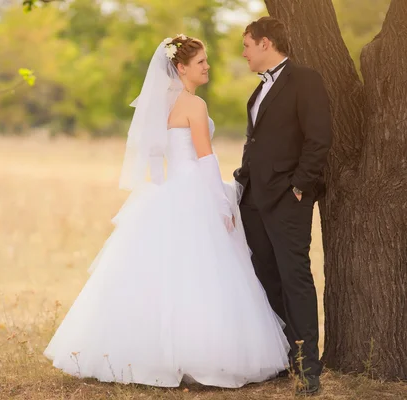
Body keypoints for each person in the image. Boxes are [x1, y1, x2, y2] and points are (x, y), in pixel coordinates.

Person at [44, 34, 289, 388]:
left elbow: (157, 158)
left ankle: (145, 355)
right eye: (201, 62)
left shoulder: (157, 104)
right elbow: (206, 158)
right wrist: (223, 203)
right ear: (180, 67)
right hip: (194, 189)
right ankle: (200, 357)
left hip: (165, 190)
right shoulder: (195, 105)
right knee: (201, 273)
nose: (207, 67)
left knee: (157, 273)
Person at [235, 17, 333, 395]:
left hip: (288, 199)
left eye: (246, 45)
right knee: (265, 276)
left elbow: (319, 137)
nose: (243, 53)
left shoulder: (305, 80)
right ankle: (282, 356)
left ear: (264, 43)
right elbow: (256, 141)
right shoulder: (257, 90)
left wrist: (299, 187)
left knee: (295, 277)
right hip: (254, 200)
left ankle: (309, 368)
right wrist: (242, 180)